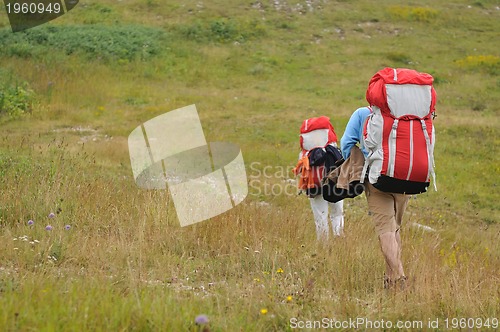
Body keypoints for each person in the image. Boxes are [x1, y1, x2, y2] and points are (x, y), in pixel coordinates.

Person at [341, 106, 409, 288]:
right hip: (406, 176)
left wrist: (357, 163)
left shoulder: (362, 114)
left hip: (376, 176)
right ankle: (391, 280)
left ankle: (400, 276)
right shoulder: (409, 115)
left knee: (385, 229)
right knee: (394, 226)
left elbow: (346, 143)